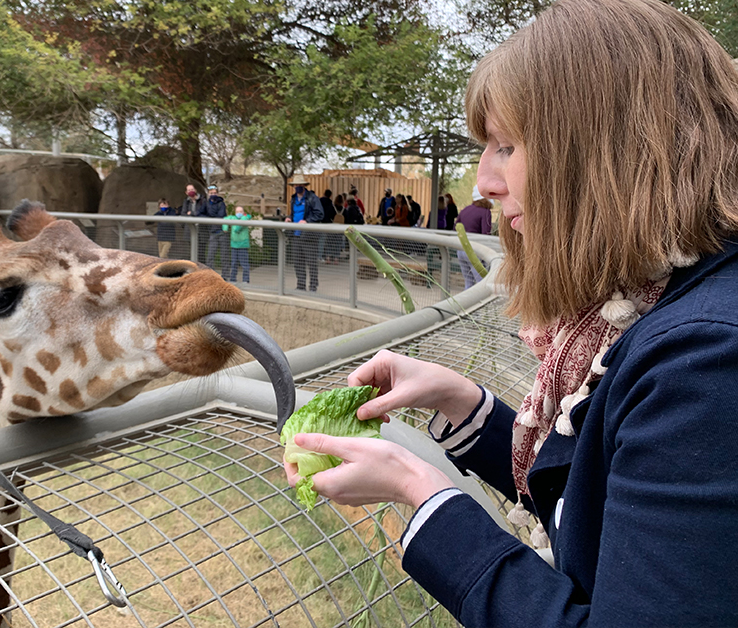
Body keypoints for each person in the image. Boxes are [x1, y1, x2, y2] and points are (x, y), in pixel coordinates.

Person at [284, 1, 738, 626]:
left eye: (506, 145)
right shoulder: (653, 306)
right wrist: (461, 402)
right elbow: (601, 490)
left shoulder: (706, 360)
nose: (483, 182)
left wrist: (421, 494)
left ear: (603, 149)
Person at [285, 177, 324, 291]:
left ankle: (313, 286)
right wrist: (289, 218)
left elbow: (319, 214)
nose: (297, 187)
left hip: (309, 235)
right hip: (296, 235)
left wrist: (307, 221)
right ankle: (301, 284)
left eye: (299, 185)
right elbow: (293, 213)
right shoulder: (293, 199)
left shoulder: (312, 198)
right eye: (295, 185)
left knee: (311, 262)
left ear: (304, 185)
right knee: (298, 261)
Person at [455, 186, 493, 288]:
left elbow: (455, 227)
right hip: (474, 251)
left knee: (469, 282)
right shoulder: (485, 212)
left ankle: (466, 303)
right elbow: (486, 233)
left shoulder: (465, 210)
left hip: (460, 250)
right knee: (481, 282)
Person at [197, 184, 229, 279]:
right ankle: (211, 276)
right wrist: (208, 219)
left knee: (224, 256)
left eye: (215, 193)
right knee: (210, 255)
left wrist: (210, 217)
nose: (213, 195)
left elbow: (221, 215)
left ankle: (225, 276)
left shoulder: (221, 203)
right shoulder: (206, 203)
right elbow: (199, 213)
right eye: (211, 193)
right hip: (212, 233)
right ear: (208, 194)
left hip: (222, 232)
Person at [223, 205, 252, 283]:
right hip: (234, 245)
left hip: (243, 245)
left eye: (241, 211)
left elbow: (239, 226)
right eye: (237, 212)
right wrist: (225, 228)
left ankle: (246, 280)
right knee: (233, 263)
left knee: (244, 264)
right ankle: (233, 279)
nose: (239, 213)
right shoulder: (233, 218)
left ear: (243, 212)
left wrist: (243, 218)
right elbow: (225, 219)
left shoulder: (245, 218)